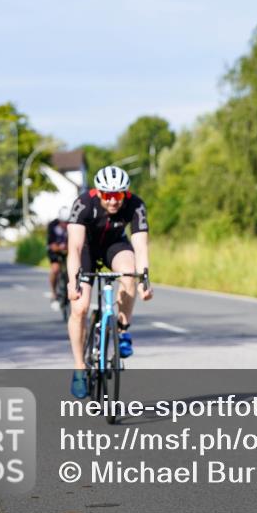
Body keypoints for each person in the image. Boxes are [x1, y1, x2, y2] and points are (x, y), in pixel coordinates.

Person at [66, 165, 153, 399]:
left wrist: (145, 278)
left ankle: (123, 331)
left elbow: (141, 246)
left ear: (125, 193)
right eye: (108, 195)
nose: (114, 201)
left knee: (129, 273)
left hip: (115, 246)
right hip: (86, 249)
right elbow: (73, 248)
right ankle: (79, 369)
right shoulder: (83, 204)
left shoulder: (135, 205)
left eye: (119, 195)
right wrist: (72, 282)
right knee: (80, 307)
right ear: (98, 193)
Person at [46, 207, 70, 310]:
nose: (65, 225)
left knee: (72, 269)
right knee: (55, 269)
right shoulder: (53, 225)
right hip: (55, 250)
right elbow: (51, 244)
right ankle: (54, 293)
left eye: (67, 222)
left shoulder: (73, 225)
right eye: (63, 222)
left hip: (68, 250)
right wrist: (59, 248)